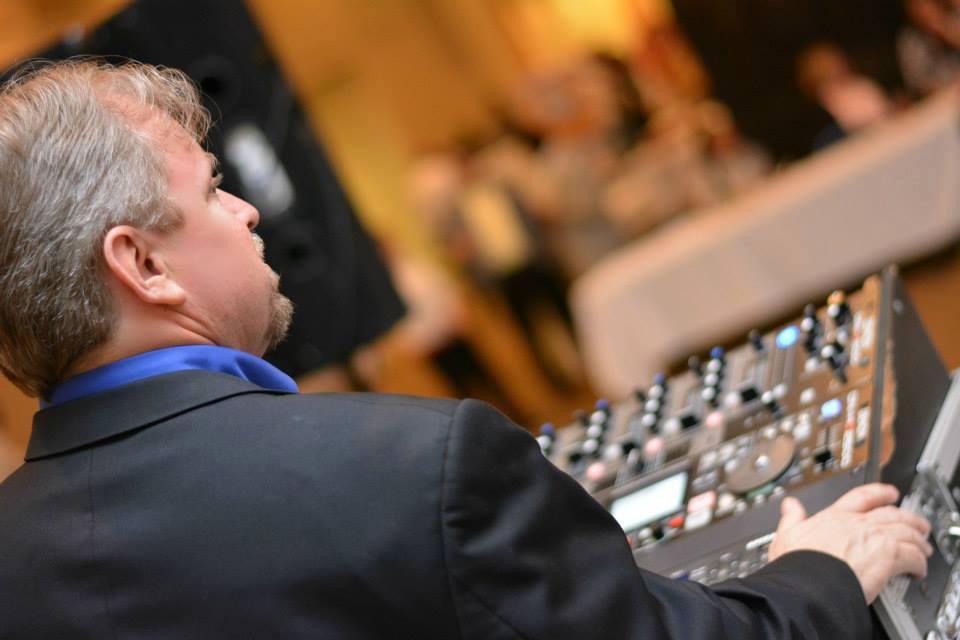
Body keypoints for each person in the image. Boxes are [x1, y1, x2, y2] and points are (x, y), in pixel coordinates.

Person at [0, 59, 932, 639]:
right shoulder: (419, 469)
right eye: (211, 191)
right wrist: (819, 571)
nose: (247, 212)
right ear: (144, 264)